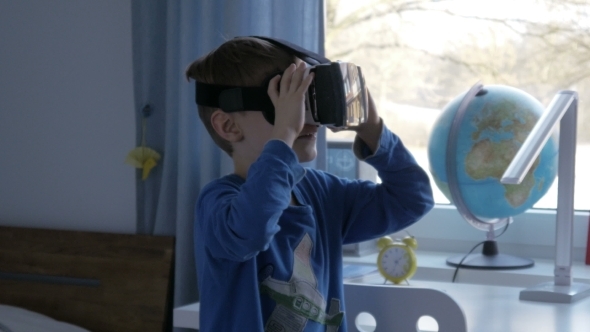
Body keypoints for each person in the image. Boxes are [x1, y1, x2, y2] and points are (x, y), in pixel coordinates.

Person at [185, 36, 434, 332]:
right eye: (287, 106)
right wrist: (284, 136)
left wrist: (371, 128)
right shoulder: (217, 204)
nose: (308, 120)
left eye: (309, 103)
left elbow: (412, 198)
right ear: (228, 126)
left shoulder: (321, 195)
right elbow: (252, 229)